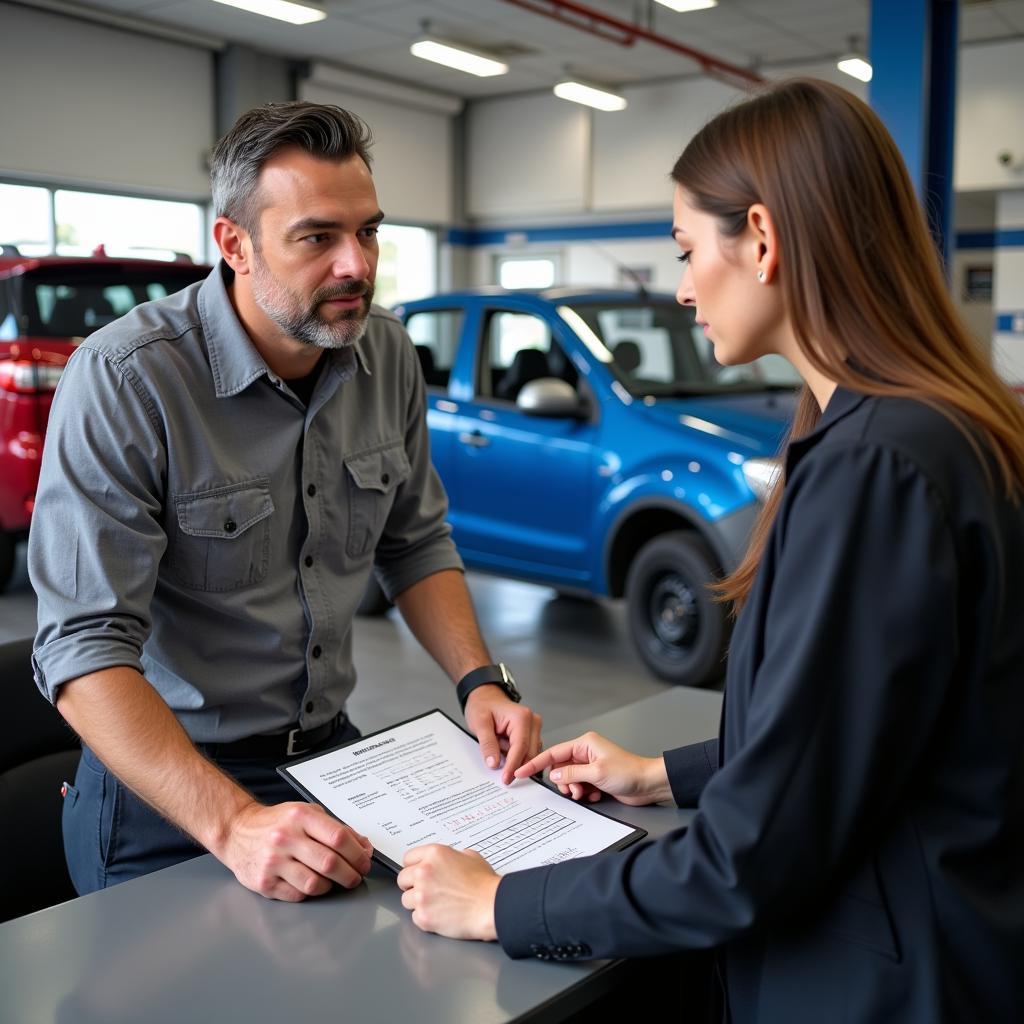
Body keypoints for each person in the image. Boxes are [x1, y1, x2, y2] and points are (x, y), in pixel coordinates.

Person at [395, 78, 1024, 1022]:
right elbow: (847, 732)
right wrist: (659, 775)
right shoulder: (920, 427)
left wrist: (500, 903)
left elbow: (751, 858)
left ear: (763, 240)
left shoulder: (877, 467)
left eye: (689, 250)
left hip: (890, 982)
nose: (683, 287)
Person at [29, 101, 541, 902]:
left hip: (334, 765)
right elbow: (83, 647)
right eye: (317, 237)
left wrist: (480, 679)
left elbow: (415, 541)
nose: (356, 265)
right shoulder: (128, 379)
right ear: (234, 244)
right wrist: (233, 824)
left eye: (368, 232)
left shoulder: (388, 353)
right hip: (172, 787)